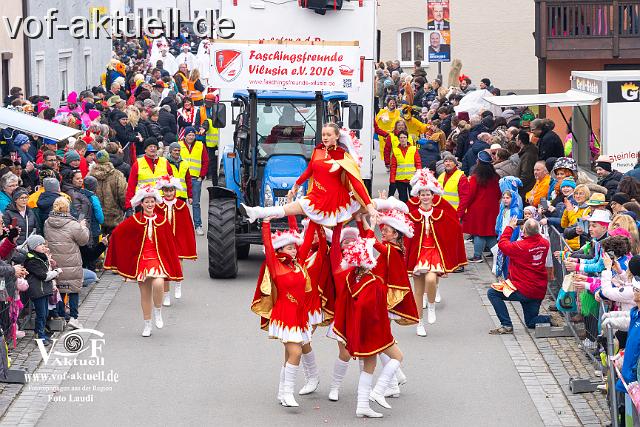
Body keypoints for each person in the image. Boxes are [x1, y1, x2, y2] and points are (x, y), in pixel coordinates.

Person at [330, 223, 404, 418]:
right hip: (372, 332)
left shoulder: (352, 277)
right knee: (397, 357)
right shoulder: (372, 282)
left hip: (358, 332)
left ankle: (362, 405)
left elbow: (350, 306)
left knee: (369, 367)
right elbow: (369, 310)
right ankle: (379, 392)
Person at [241, 124, 379, 227]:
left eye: (329, 135)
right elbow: (309, 171)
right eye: (323, 134)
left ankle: (392, 203)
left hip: (335, 202)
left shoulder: (343, 157)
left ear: (337, 136)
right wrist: (296, 186)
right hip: (316, 197)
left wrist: (370, 207)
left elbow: (356, 183)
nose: (325, 137)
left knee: (336, 239)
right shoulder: (318, 151)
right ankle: (255, 212)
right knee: (287, 210)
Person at [104, 185, 183, 337]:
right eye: (146, 202)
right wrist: (111, 240)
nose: (149, 204)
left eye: (152, 201)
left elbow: (169, 244)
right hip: (142, 261)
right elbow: (119, 232)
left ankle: (158, 310)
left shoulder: (161, 220)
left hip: (157, 259)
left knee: (159, 282)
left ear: (155, 202)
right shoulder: (134, 220)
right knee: (145, 294)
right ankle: (147, 324)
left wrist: (172, 260)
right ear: (141, 203)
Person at [255, 216, 313, 408]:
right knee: (296, 352)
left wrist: (314, 217)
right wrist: (266, 223)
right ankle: (288, 393)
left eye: (295, 247)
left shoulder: (299, 264)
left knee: (289, 356)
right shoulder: (275, 266)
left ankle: (282, 393)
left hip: (299, 315)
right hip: (285, 315)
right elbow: (267, 245)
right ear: (280, 250)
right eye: (290, 248)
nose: (294, 250)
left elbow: (304, 235)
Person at [406, 169, 467, 334]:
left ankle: (431, 305)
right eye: (422, 194)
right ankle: (419, 323)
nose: (425, 197)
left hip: (434, 253)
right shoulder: (412, 215)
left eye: (428, 194)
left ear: (433, 196)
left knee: (431, 280)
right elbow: (398, 230)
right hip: (418, 255)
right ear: (418, 196)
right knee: (417, 291)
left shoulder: (441, 213)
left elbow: (454, 228)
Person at [487, 218, 557, 334]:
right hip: (538, 289)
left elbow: (503, 244)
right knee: (530, 322)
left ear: (524, 232)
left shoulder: (520, 246)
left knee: (492, 293)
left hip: (523, 288)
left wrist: (510, 227)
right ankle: (548, 319)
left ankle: (506, 324)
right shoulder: (545, 243)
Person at [44, 197, 90, 330]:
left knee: (60, 288)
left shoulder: (47, 222)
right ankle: (74, 318)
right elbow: (83, 240)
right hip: (71, 262)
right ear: (67, 208)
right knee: (73, 290)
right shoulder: (73, 224)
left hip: (56, 262)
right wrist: (83, 227)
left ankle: (61, 316)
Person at [155, 176, 196, 307]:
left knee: (179, 261)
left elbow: (187, 225)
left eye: (171, 190)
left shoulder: (181, 205)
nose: (168, 193)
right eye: (166, 191)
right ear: (162, 191)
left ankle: (178, 283)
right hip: (164, 240)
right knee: (165, 268)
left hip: (178, 238)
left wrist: (187, 241)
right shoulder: (158, 205)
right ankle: (166, 295)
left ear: (175, 191)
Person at [460, 151, 502, 263]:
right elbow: (499, 194)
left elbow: (470, 195)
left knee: (479, 232)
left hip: (478, 209)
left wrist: (464, 209)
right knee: (490, 232)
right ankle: (498, 253)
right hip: (493, 208)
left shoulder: (475, 177)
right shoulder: (496, 177)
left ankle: (477, 256)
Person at [23, 234, 61, 346]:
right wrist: (56, 272)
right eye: (40, 244)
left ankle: (41, 332)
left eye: (43, 244)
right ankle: (39, 335)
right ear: (34, 247)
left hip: (44, 290)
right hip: (38, 291)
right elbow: (43, 276)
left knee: (44, 314)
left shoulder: (41, 257)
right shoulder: (32, 260)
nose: (43, 246)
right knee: (41, 314)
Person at [125, 138, 172, 210]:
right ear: (145, 149)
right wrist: (129, 205)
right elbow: (131, 185)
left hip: (161, 201)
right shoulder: (138, 163)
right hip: (142, 201)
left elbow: (171, 183)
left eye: (155, 147)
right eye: (150, 146)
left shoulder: (165, 162)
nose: (153, 149)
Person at [178, 127, 208, 235]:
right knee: (181, 203)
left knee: (195, 203)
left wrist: (202, 176)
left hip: (195, 179)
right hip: (181, 179)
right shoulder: (179, 145)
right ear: (185, 136)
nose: (191, 137)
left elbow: (205, 161)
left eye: (193, 135)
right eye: (189, 135)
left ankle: (198, 226)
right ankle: (181, 226)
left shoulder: (200, 145)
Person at [90, 150, 127, 235]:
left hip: (97, 218)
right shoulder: (117, 175)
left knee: (100, 245)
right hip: (115, 217)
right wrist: (124, 208)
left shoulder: (90, 175)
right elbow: (123, 194)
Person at [194, 93, 221, 183]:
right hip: (203, 137)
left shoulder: (218, 110)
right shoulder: (200, 110)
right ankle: (206, 173)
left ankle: (210, 174)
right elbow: (197, 124)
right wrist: (201, 130)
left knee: (211, 159)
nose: (208, 103)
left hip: (213, 140)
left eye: (210, 102)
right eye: (207, 101)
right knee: (206, 158)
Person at [389, 131, 421, 202]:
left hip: (412, 179)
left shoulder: (413, 149)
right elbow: (393, 167)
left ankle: (413, 213)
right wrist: (392, 180)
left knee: (414, 199)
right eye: (401, 138)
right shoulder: (395, 151)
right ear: (398, 139)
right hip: (400, 180)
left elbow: (418, 164)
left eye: (404, 137)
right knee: (403, 200)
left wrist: (419, 176)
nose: (403, 139)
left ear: (407, 138)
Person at [437, 152, 469, 217]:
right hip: (442, 212)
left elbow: (465, 198)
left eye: (451, 161)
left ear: (455, 164)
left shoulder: (461, 177)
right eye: (446, 161)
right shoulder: (441, 176)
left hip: (455, 213)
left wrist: (459, 214)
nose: (448, 163)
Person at [516, 130, 538, 200]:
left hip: (526, 189)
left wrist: (517, 185)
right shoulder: (527, 152)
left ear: (520, 141)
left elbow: (526, 174)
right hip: (526, 188)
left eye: (516, 139)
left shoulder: (527, 155)